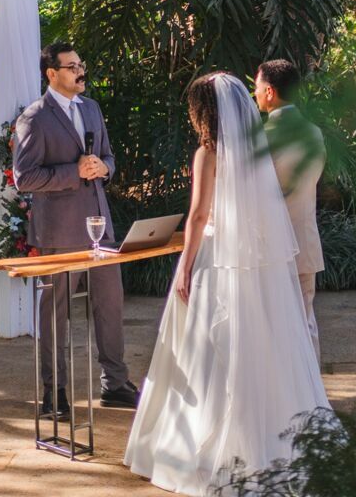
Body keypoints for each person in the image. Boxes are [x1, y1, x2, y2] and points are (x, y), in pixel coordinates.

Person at [125, 73, 331, 496]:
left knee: (206, 348)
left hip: (217, 257)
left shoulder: (208, 153)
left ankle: (201, 447)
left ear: (203, 112)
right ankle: (270, 435)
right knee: (257, 344)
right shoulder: (257, 151)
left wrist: (185, 265)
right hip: (254, 261)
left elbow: (199, 215)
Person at [12, 41, 139, 412]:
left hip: (100, 226)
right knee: (55, 313)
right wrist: (74, 172)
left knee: (110, 305)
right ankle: (55, 392)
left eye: (81, 64)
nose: (80, 71)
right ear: (52, 74)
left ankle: (115, 384)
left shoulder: (92, 108)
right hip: (60, 230)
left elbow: (109, 156)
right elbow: (24, 178)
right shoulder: (34, 118)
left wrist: (104, 168)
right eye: (72, 67)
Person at [254, 58, 326, 359]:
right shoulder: (314, 132)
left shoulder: (264, 137)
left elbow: (256, 195)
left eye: (257, 87)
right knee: (305, 322)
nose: (255, 93)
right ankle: (312, 384)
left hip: (272, 245)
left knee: (275, 328)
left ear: (270, 92)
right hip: (305, 241)